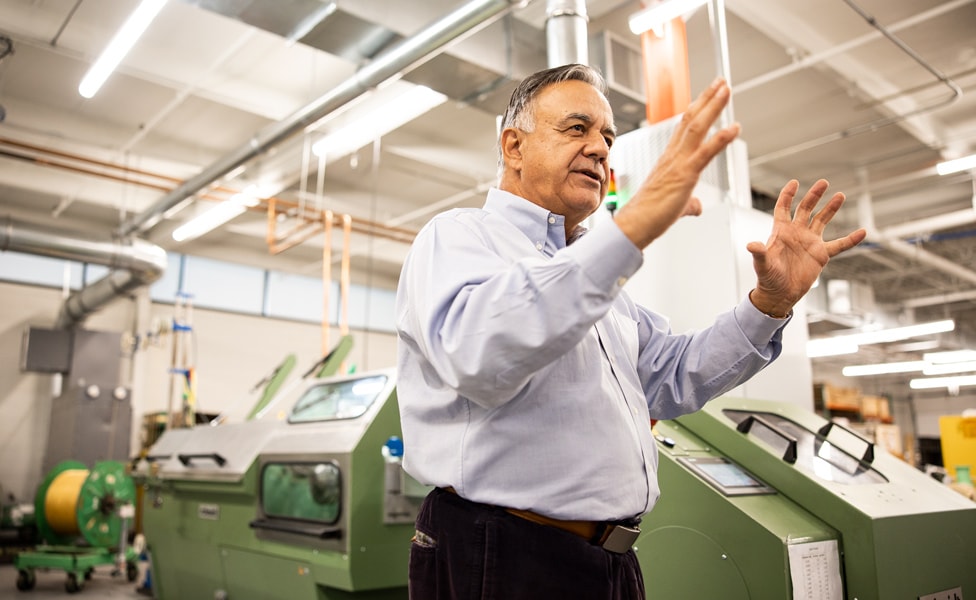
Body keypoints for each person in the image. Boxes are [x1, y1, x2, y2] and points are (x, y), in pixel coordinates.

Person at [394, 63, 866, 600]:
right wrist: (628, 230)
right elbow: (478, 352)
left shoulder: (600, 280)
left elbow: (671, 375)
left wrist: (770, 304)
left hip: (610, 563)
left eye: (608, 136)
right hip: (501, 553)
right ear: (513, 146)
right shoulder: (458, 238)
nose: (599, 148)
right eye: (577, 128)